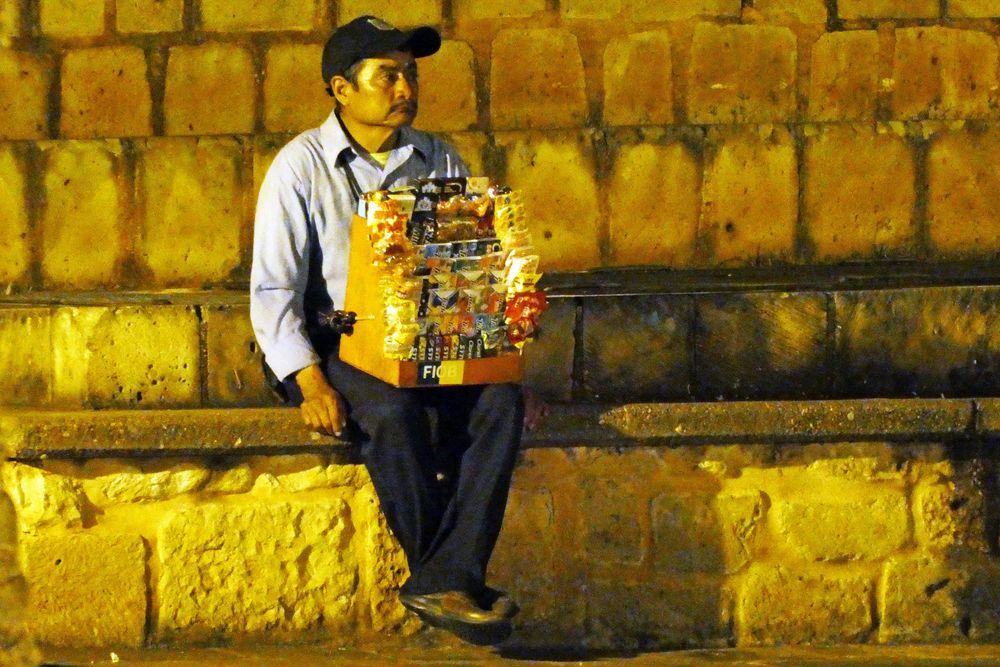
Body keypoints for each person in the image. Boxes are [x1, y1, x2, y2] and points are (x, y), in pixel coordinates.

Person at [250, 15, 541, 645]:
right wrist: (310, 382)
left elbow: (468, 269)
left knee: (500, 405)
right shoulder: (299, 167)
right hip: (333, 333)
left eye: (409, 73)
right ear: (341, 89)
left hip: (422, 337)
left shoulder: (439, 157)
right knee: (393, 413)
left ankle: (442, 579)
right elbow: (274, 290)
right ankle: (451, 579)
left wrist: (497, 352)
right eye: (388, 74)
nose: (404, 86)